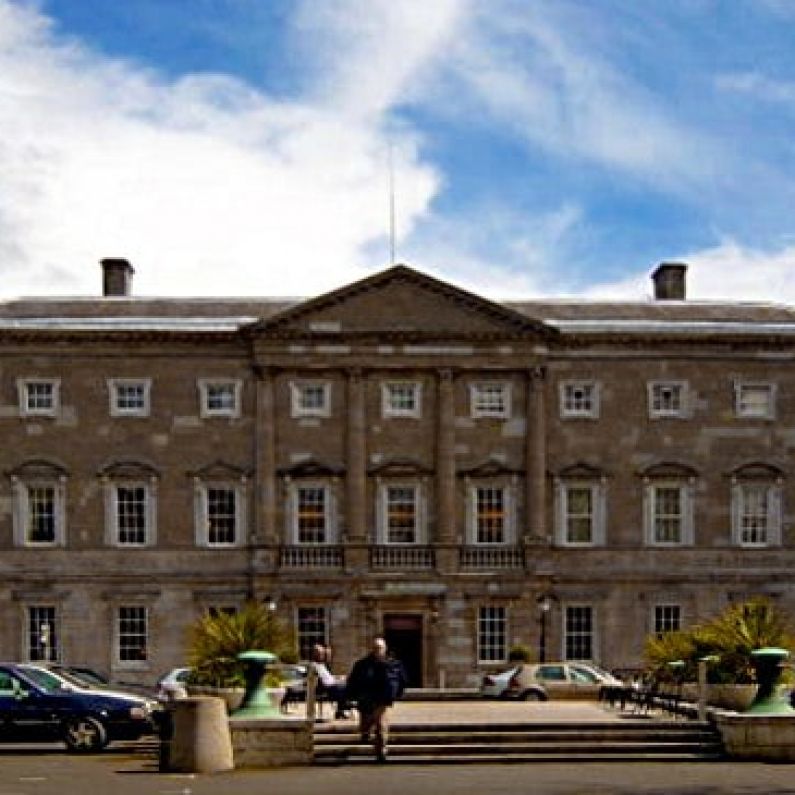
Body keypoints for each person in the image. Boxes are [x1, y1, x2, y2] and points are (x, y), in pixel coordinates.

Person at [345, 637, 408, 762]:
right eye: (375, 648)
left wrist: (396, 694)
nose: (377, 651)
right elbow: (352, 681)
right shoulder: (362, 664)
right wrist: (351, 697)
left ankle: (381, 750)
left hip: (382, 699)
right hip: (365, 700)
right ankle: (366, 733)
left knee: (381, 724)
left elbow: (402, 680)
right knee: (365, 726)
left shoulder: (393, 664)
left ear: (385, 649)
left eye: (380, 648)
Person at [310, 643, 349, 719]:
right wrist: (336, 681)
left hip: (332, 686)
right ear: (315, 654)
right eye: (320, 653)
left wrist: (338, 679)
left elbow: (328, 678)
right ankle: (341, 710)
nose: (322, 655)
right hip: (327, 689)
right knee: (345, 688)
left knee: (346, 684)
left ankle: (341, 711)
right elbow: (323, 681)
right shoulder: (314, 666)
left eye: (322, 653)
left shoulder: (322, 665)